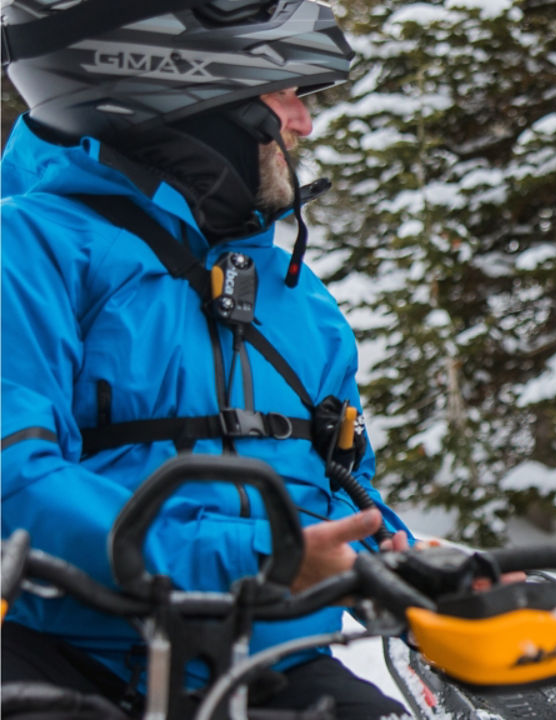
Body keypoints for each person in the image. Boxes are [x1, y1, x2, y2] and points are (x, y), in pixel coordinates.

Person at [1, 1, 416, 717]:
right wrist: (261, 558)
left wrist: (415, 567)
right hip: (58, 661)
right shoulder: (28, 251)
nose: (303, 123)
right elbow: (14, 489)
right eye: (284, 94)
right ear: (193, 100)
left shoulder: (298, 297)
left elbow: (344, 486)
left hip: (263, 670)